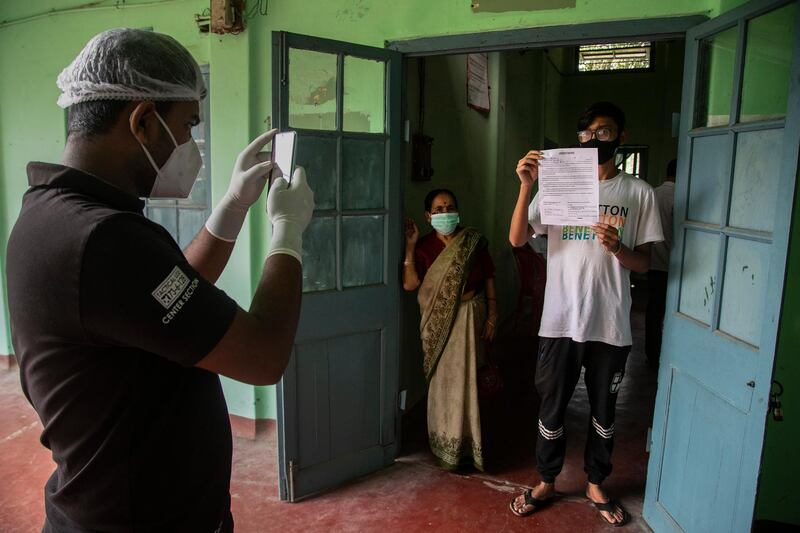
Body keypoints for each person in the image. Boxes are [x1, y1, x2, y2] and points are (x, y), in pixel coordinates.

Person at [5, 29, 314, 532]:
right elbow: (263, 355)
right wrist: (288, 233)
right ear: (144, 121)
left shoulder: (57, 213)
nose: (193, 144)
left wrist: (232, 208)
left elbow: (164, 298)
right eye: (188, 125)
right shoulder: (104, 241)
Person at [508, 102, 663, 526]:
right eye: (587, 133)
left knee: (604, 410)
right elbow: (518, 238)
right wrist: (526, 186)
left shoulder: (638, 193)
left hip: (610, 323)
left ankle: (597, 481)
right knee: (552, 406)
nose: (596, 140)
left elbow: (646, 263)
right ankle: (546, 480)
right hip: (559, 319)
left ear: (621, 138)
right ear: (579, 139)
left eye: (605, 131)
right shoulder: (558, 184)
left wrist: (618, 248)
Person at [403, 189, 497, 471]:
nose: (446, 213)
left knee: (470, 380)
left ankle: (470, 443)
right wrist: (410, 247)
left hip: (472, 319)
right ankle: (445, 442)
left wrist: (493, 313)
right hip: (438, 327)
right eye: (439, 209)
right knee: (444, 384)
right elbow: (410, 285)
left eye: (450, 207)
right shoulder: (424, 248)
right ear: (428, 216)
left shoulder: (472, 242)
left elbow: (489, 277)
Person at [646, 158, 677, 367]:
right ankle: (670, 356)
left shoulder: (651, 194)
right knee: (673, 314)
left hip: (652, 263)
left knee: (654, 311)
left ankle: (652, 354)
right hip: (673, 265)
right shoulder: (680, 196)